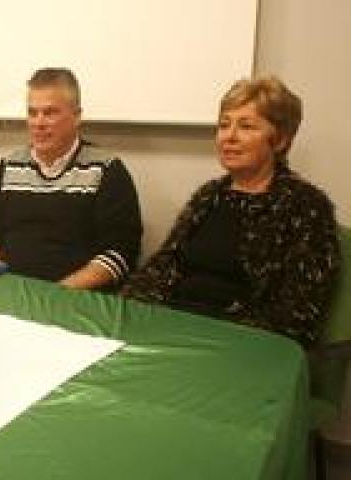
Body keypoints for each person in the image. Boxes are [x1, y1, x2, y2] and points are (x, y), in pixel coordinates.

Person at [122, 77, 341, 346]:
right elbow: (160, 268)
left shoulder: (306, 206)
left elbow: (297, 312)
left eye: (246, 126)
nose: (229, 136)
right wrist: (129, 313)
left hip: (239, 342)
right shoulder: (208, 195)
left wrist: (209, 338)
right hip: (173, 326)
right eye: (224, 125)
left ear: (280, 140)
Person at [0, 67, 142, 290]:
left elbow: (120, 252)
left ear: (77, 116)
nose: (38, 123)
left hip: (72, 297)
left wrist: (55, 294)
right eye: (32, 113)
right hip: (9, 291)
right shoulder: (10, 165)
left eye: (50, 113)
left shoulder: (107, 170)